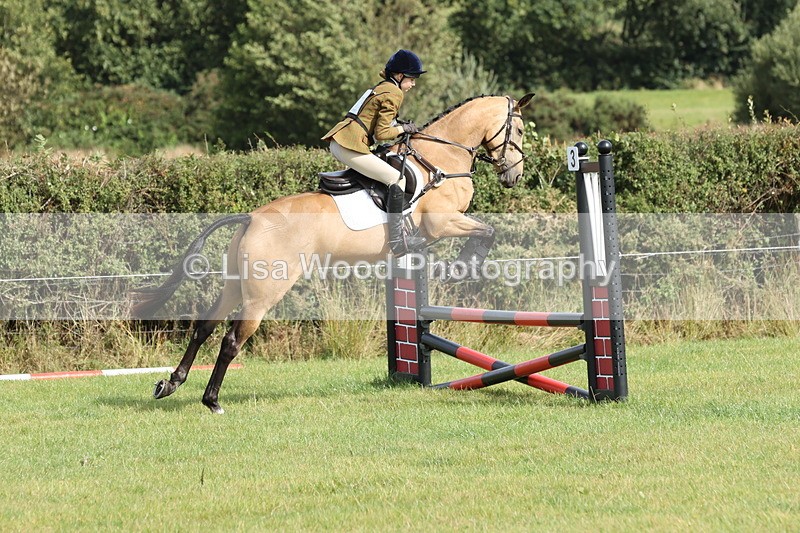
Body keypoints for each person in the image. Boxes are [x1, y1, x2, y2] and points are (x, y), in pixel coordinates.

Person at [322, 49, 426, 254]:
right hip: (349, 144)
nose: (413, 84)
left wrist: (400, 124)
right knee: (397, 179)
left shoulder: (383, 87)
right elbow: (382, 133)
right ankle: (397, 241)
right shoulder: (394, 92)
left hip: (343, 141)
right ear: (399, 76)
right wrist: (404, 129)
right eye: (412, 79)